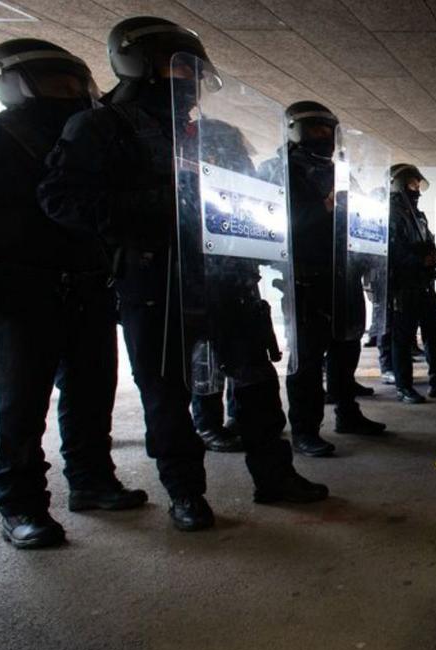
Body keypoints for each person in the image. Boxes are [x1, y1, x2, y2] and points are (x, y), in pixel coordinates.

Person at [38, 16, 328, 532]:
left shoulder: (217, 134)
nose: (190, 81)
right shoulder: (101, 126)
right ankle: (187, 494)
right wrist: (158, 206)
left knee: (257, 385)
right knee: (167, 395)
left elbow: (246, 201)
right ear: (139, 63)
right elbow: (61, 199)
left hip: (229, 282)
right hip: (156, 282)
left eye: (194, 71)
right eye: (177, 69)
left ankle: (275, 476)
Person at [0, 39, 149, 549]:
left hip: (89, 284)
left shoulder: (96, 137)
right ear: (15, 85)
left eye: (75, 83)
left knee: (91, 395)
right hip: (22, 291)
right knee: (21, 407)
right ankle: (21, 505)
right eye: (57, 83)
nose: (72, 93)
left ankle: (90, 481)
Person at [282, 101, 385, 458]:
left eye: (329, 130)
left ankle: (347, 413)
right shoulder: (281, 169)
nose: (324, 136)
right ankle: (305, 430)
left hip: (344, 276)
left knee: (346, 350)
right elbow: (278, 224)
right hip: (306, 279)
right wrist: (324, 207)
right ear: (297, 129)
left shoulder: (340, 171)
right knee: (307, 361)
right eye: (316, 129)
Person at [385, 163, 436, 404]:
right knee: (404, 340)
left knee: (433, 335)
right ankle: (404, 387)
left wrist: (433, 256)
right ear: (399, 184)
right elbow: (391, 251)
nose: (417, 189)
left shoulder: (417, 215)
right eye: (413, 184)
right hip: (404, 285)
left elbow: (426, 243)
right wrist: (419, 258)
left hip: (424, 283)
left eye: (418, 184)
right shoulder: (390, 213)